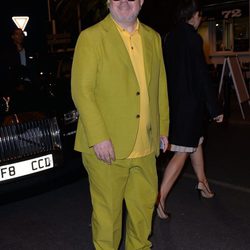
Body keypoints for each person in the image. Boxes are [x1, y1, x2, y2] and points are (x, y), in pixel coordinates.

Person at [71, 0, 169, 249]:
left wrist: (164, 129)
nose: (124, 2)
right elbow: (82, 91)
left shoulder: (153, 37)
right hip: (107, 148)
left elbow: (161, 88)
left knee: (142, 215)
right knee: (108, 220)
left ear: (141, 2)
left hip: (146, 147)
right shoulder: (91, 37)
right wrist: (98, 137)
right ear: (108, 2)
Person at [157, 0, 223, 220]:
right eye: (199, 15)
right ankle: (161, 197)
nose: (200, 18)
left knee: (197, 142)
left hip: (174, 103)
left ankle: (202, 183)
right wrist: (214, 109)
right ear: (193, 15)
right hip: (190, 106)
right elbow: (202, 77)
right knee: (183, 150)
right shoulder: (193, 39)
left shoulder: (169, 37)